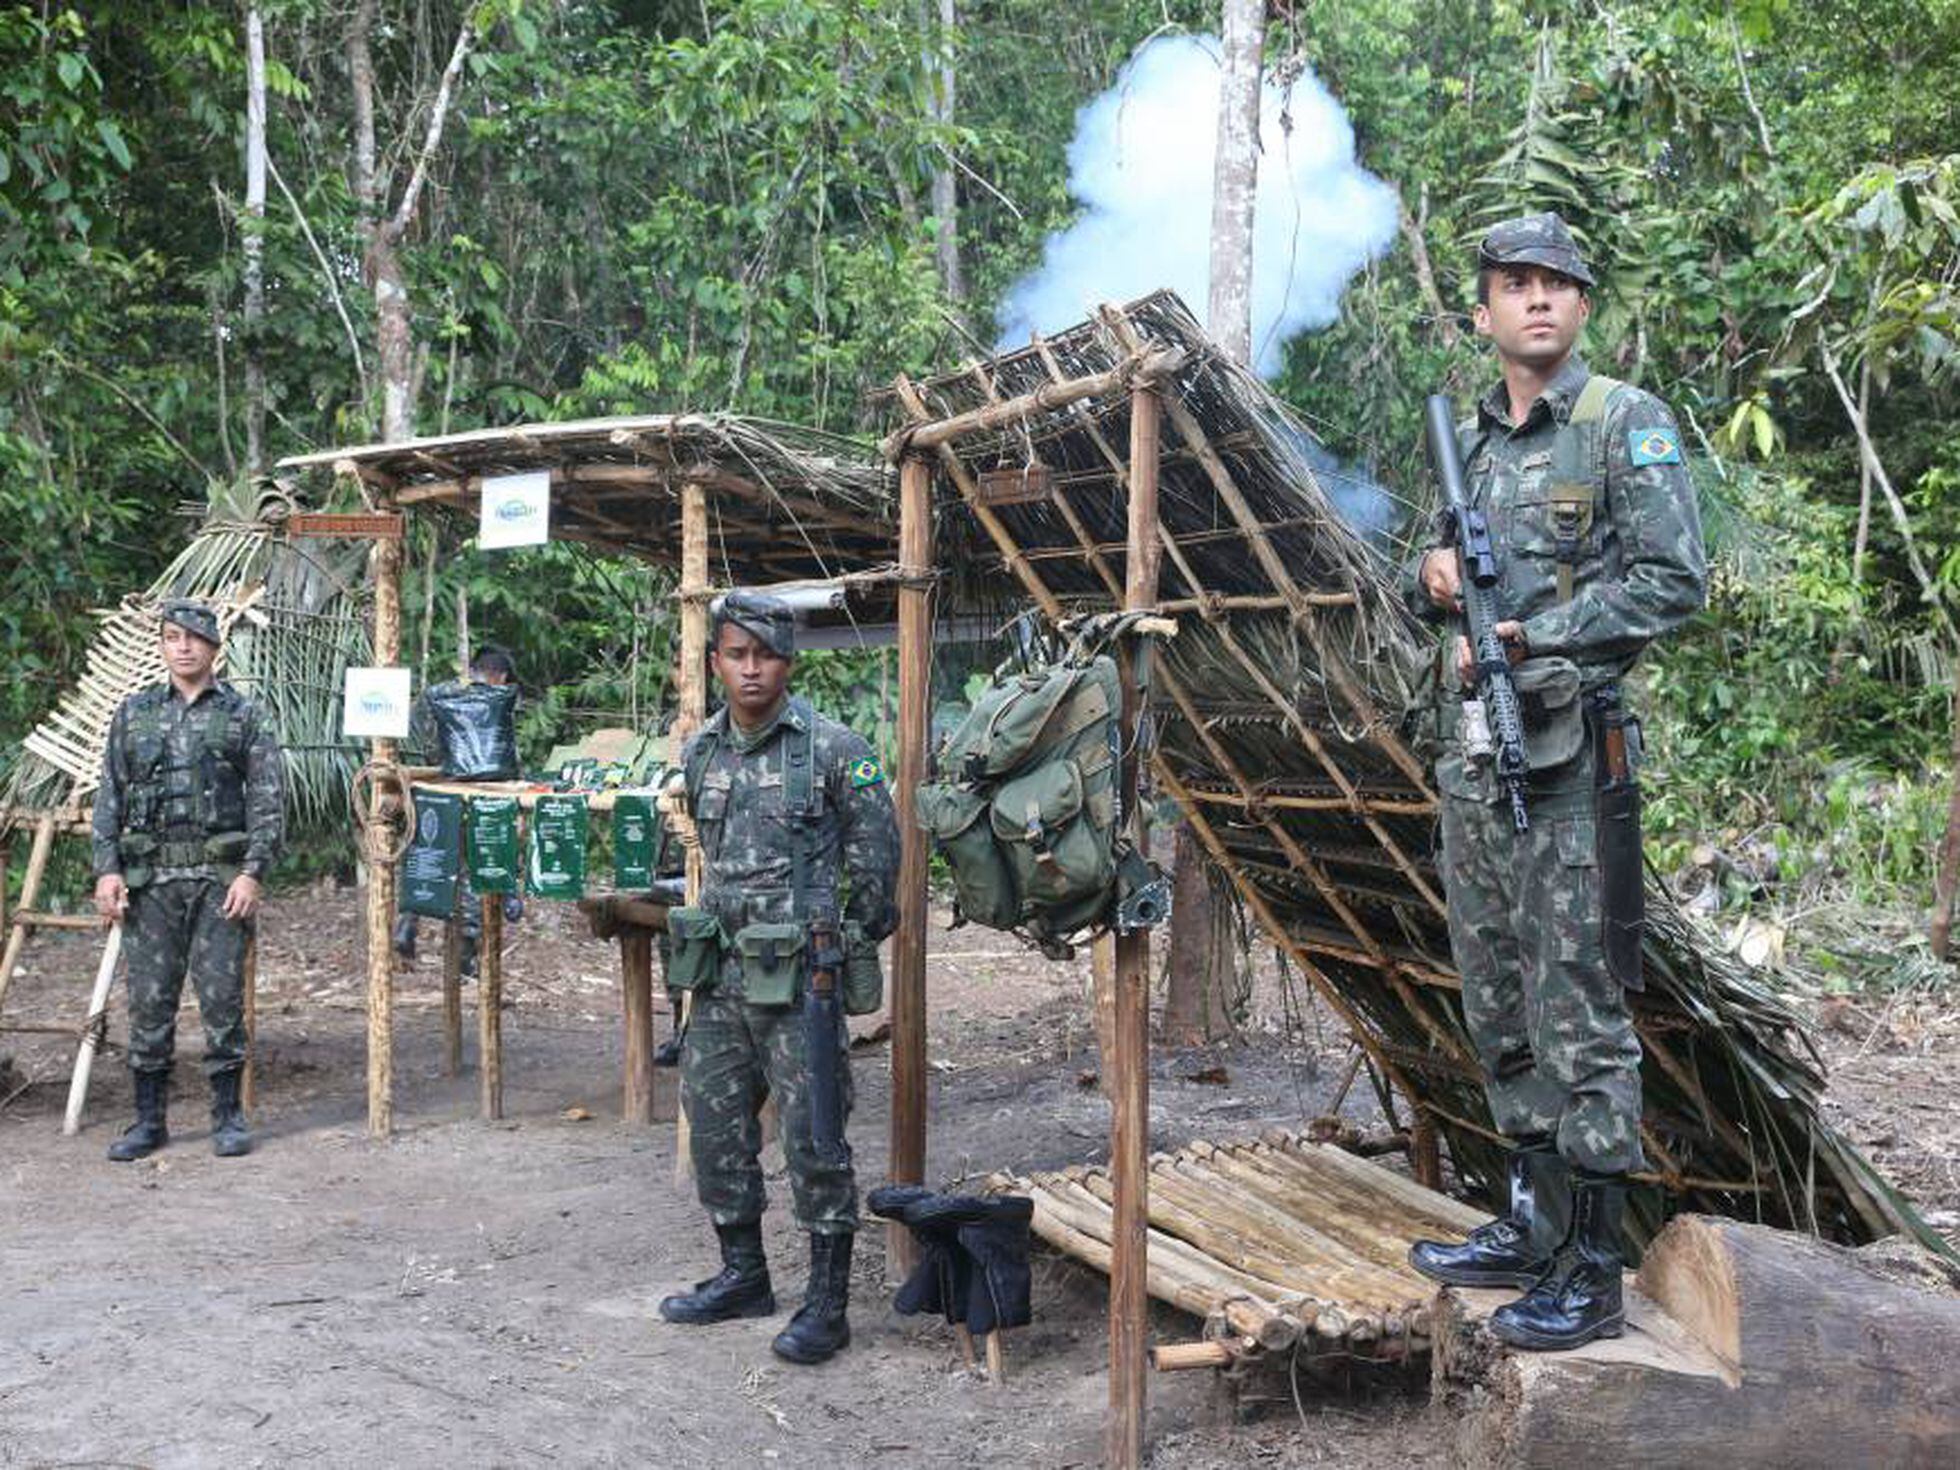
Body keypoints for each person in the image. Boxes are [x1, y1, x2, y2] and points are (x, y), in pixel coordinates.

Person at [1402, 213, 1707, 1350]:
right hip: (1476, 761)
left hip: (1571, 763)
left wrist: (1536, 637)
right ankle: (1528, 1222)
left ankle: (1591, 1265)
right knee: (1494, 996)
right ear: (1481, 313)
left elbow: (1674, 584)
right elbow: (1419, 578)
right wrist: (1427, 573)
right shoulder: (1469, 444)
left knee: (1577, 1008)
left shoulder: (1624, 424)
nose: (1534, 300)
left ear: (1581, 306)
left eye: (1555, 284)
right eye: (1512, 285)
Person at [657, 590, 900, 1366]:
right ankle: (743, 1275)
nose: (751, 668)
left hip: (802, 981)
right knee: (716, 1132)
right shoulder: (702, 750)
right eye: (737, 654)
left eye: (764, 654)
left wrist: (840, 940)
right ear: (716, 661)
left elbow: (879, 865)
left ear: (788, 661)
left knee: (814, 1138)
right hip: (721, 979)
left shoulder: (835, 750)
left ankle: (827, 1304)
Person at [91, 598, 284, 1160]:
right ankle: (149, 1122)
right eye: (172, 637)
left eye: (194, 637)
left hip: (219, 883)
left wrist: (253, 873)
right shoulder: (135, 713)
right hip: (150, 885)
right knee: (149, 1004)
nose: (183, 646)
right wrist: (107, 869)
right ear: (162, 645)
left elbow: (269, 801)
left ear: (213, 647)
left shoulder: (243, 714)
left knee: (222, 1002)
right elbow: (111, 796)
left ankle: (227, 1117)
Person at [393, 644, 523, 974]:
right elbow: (504, 759)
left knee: (424, 859)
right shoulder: (492, 703)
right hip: (474, 794)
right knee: (475, 866)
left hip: (429, 786)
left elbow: (415, 734)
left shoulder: (439, 694)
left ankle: (407, 924)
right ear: (501, 678)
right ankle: (466, 948)